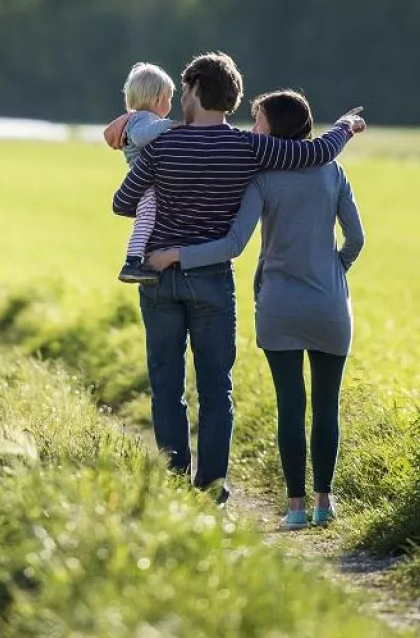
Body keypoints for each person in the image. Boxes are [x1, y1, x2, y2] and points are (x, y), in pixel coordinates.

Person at [111, 52, 366, 504]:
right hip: (211, 278)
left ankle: (173, 483)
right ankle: (211, 487)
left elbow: (123, 202)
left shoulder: (163, 147)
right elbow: (318, 152)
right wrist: (345, 125)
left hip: (158, 277)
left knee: (167, 383)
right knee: (215, 386)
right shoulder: (249, 147)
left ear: (190, 89)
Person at [105, 62, 177, 285]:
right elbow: (140, 137)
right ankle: (132, 262)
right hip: (146, 184)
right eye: (169, 98)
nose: (170, 104)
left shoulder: (141, 118)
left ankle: (138, 259)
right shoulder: (143, 119)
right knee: (146, 219)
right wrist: (169, 125)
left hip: (146, 181)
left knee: (148, 218)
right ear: (157, 99)